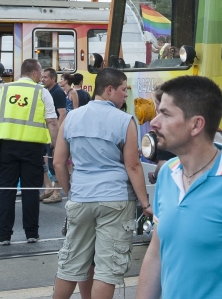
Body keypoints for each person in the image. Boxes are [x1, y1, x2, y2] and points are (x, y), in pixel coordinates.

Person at [136, 76, 222, 299]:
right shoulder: (167, 174)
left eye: (166, 114)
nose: (154, 122)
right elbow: (156, 255)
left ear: (196, 125)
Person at [51, 68, 152, 299]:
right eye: (123, 90)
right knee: (107, 269)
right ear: (109, 90)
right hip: (115, 199)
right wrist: (145, 203)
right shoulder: (124, 120)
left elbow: (58, 163)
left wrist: (71, 193)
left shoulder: (71, 118)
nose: (126, 95)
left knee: (71, 263)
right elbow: (133, 166)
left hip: (81, 196)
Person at [0, 58, 60, 244]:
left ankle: (4, 235)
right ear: (35, 73)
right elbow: (52, 121)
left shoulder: (4, 89)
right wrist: (56, 144)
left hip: (5, 145)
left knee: (6, 190)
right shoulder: (42, 92)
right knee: (30, 190)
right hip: (32, 147)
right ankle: (31, 233)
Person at [41, 67, 68, 204]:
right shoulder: (47, 91)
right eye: (42, 77)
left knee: (53, 162)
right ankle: (48, 188)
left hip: (52, 133)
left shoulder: (57, 92)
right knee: (41, 160)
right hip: (45, 133)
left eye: (45, 77)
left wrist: (56, 136)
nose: (43, 79)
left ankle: (56, 192)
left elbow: (62, 114)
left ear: (53, 78)